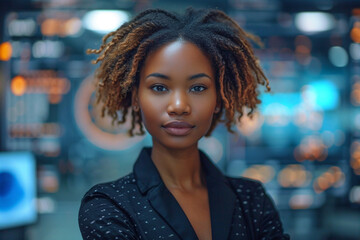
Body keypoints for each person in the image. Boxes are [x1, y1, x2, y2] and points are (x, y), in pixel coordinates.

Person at [78, 7, 290, 240]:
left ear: (219, 99)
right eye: (159, 87)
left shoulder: (252, 200)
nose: (179, 105)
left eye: (198, 88)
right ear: (136, 97)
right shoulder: (109, 206)